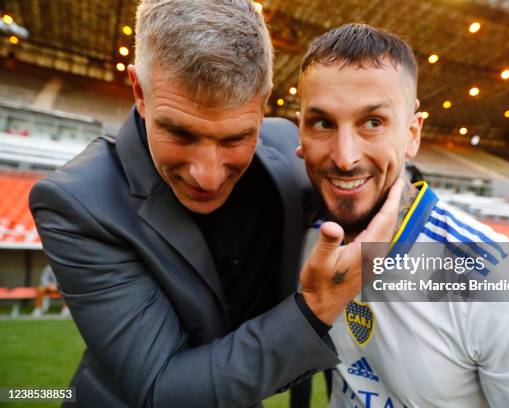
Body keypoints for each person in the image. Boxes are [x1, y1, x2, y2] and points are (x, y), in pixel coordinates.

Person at [28, 2, 402, 407]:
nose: (207, 175)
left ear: (263, 105)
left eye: (234, 139)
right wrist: (316, 308)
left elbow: (359, 170)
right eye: (180, 133)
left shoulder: (283, 144)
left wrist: (398, 179)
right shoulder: (77, 203)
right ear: (139, 92)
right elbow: (162, 390)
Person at [296, 23, 509, 407]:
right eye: (322, 123)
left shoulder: (500, 283)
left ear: (413, 134)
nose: (345, 156)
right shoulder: (310, 238)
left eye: (373, 122)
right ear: (301, 132)